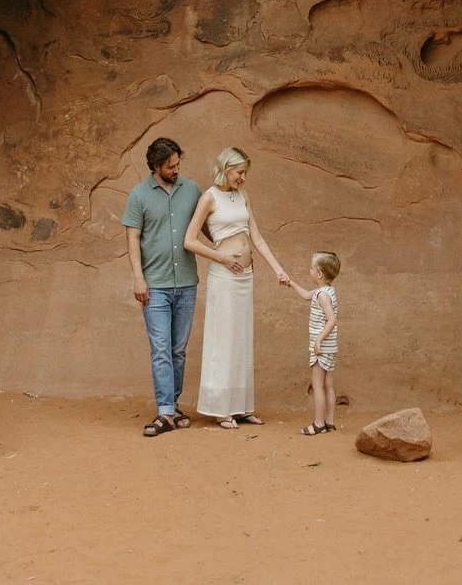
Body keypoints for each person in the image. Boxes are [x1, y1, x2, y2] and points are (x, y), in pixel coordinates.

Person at [184, 146, 289, 428]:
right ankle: (220, 408)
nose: (243, 178)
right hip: (224, 276)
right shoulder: (209, 197)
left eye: (245, 173)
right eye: (239, 172)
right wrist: (221, 257)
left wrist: (278, 269)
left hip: (246, 276)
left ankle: (242, 406)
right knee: (224, 338)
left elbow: (256, 236)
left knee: (242, 339)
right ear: (225, 169)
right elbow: (190, 240)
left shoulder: (243, 196)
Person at [122, 136, 203, 437]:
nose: (176, 170)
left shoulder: (192, 190)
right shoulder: (138, 195)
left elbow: (207, 228)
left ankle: (174, 405)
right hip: (154, 284)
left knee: (178, 349)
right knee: (160, 349)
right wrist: (138, 277)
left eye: (178, 164)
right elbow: (132, 238)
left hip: (186, 282)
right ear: (156, 166)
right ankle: (165, 410)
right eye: (170, 166)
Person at [286, 251, 340, 435]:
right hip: (330, 347)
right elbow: (306, 295)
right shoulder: (325, 291)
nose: (309, 269)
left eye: (311, 267)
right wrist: (291, 283)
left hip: (322, 347)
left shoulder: (322, 296)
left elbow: (332, 319)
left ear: (319, 273)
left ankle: (318, 424)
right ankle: (330, 422)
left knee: (317, 384)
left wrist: (319, 339)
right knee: (328, 384)